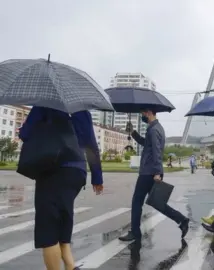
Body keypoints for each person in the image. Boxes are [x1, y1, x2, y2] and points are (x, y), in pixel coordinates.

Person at [19, 107, 103, 270]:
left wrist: (24, 128)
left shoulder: (44, 105)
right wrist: (97, 176)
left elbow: (25, 134)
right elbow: (91, 144)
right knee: (62, 222)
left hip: (53, 169)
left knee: (48, 231)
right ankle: (71, 267)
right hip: (76, 172)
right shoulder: (81, 109)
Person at [119, 108, 189, 242]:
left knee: (137, 201)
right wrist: (133, 133)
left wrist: (157, 172)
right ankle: (182, 220)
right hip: (152, 171)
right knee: (158, 203)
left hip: (149, 172)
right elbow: (147, 144)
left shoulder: (154, 129)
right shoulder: (156, 128)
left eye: (143, 114)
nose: (142, 116)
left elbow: (157, 151)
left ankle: (135, 232)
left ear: (149, 113)